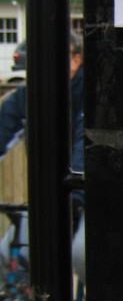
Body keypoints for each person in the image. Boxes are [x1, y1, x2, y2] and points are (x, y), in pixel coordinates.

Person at [0, 32, 85, 281]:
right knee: (9, 254)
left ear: (77, 59)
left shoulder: (91, 94)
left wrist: (73, 195)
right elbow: (3, 130)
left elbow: (83, 144)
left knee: (82, 255)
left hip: (90, 194)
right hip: (52, 198)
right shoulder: (28, 97)